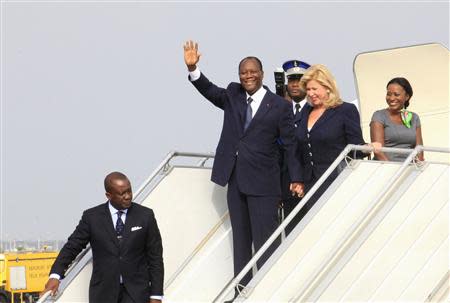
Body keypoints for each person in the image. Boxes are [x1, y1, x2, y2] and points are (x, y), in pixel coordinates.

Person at [183, 40, 302, 292]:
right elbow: (210, 91)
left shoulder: (280, 105)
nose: (247, 76)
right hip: (235, 179)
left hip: (264, 184)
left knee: (265, 241)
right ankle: (242, 291)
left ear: (262, 74)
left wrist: (296, 178)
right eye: (243, 73)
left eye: (252, 72)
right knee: (240, 240)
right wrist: (194, 69)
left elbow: (291, 145)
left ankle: (268, 290)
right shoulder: (233, 95)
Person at [41, 172, 164, 303]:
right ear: (109, 195)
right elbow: (72, 246)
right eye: (122, 193)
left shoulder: (145, 215)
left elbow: (155, 257)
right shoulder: (92, 217)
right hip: (103, 294)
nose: (127, 196)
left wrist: (156, 295)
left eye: (129, 191)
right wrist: (55, 276)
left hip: (137, 294)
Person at [294, 64, 366, 225]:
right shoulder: (305, 112)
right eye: (308, 90)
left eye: (314, 89)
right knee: (316, 226)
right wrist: (298, 179)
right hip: (311, 183)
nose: (310, 94)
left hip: (337, 180)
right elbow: (299, 149)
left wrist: (369, 147)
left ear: (327, 88)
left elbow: (356, 147)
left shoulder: (345, 110)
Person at [278, 59, 311, 235]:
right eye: (291, 80)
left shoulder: (315, 109)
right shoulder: (279, 108)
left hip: (308, 179)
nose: (295, 84)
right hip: (284, 183)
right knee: (290, 233)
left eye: (300, 79)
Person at [370, 77, 424, 161]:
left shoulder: (414, 118)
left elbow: (419, 150)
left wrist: (418, 167)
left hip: (409, 168)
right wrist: (391, 170)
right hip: (386, 168)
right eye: (388, 94)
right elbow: (378, 152)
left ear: (406, 97)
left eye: (396, 94)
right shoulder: (379, 116)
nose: (391, 98)